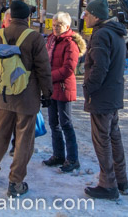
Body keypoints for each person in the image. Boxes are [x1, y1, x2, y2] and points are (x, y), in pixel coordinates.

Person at [0, 1, 52, 198]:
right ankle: (15, 182)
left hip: (3, 94)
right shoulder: (34, 38)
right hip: (27, 97)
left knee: (0, 135)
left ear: (10, 16)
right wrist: (47, 93)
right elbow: (43, 69)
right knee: (24, 140)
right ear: (27, 17)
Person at [82, 0, 128, 201]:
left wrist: (88, 88)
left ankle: (108, 184)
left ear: (95, 16)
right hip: (113, 93)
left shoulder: (101, 35)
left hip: (102, 95)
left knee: (102, 140)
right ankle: (121, 180)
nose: (84, 17)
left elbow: (99, 67)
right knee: (113, 137)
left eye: (87, 14)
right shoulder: (115, 33)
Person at [43, 11, 86, 173]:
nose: (55, 28)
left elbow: (68, 69)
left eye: (59, 25)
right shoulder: (51, 40)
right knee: (53, 123)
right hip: (52, 87)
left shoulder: (70, 43)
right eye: (54, 25)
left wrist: (48, 77)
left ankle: (73, 158)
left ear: (67, 26)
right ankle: (58, 155)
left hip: (63, 87)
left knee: (66, 124)